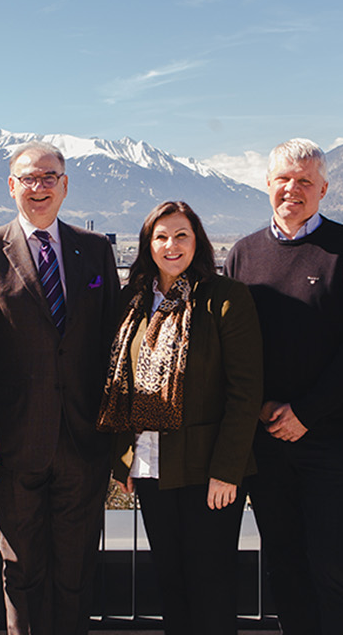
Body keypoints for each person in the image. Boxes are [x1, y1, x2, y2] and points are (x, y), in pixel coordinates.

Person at [0, 140, 121, 635]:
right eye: (28, 178)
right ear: (12, 188)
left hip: (84, 439)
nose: (39, 187)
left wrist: (114, 433)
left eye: (49, 177)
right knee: (21, 568)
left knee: (75, 569)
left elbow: (113, 343)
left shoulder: (95, 250)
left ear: (65, 186)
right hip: (14, 440)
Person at [224, 138, 343, 635]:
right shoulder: (243, 254)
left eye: (305, 182)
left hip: (329, 438)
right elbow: (229, 346)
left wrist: (307, 413)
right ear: (267, 185)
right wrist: (262, 410)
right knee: (284, 562)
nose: (292, 190)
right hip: (263, 438)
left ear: (323, 190)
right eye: (283, 180)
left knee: (335, 561)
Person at [98, 201, 263, 635]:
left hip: (209, 471)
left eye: (181, 235)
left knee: (211, 583)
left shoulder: (225, 298)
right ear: (147, 245)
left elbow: (244, 393)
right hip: (152, 464)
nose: (171, 245)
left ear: (198, 242)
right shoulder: (132, 301)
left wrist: (227, 471)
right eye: (161, 236)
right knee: (171, 581)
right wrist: (124, 459)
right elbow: (121, 385)